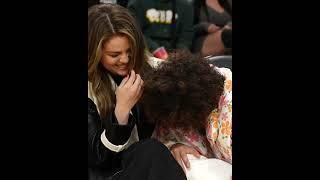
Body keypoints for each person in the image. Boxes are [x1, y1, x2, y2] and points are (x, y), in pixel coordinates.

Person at [88, 4, 186, 180]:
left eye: (129, 51)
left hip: (139, 163)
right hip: (105, 172)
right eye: (114, 54)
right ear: (96, 53)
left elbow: (161, 129)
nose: (124, 59)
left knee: (152, 150)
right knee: (150, 150)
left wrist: (174, 144)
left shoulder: (147, 70)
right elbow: (98, 159)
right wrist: (121, 111)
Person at [140, 51, 232, 179]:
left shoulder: (226, 111)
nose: (178, 127)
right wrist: (174, 146)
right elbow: (163, 137)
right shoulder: (175, 92)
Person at [127, 0, 194, 60]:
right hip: (145, 53)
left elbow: (186, 38)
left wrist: (179, 55)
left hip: (174, 57)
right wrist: (157, 51)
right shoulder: (137, 3)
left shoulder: (186, 6)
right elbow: (135, 32)